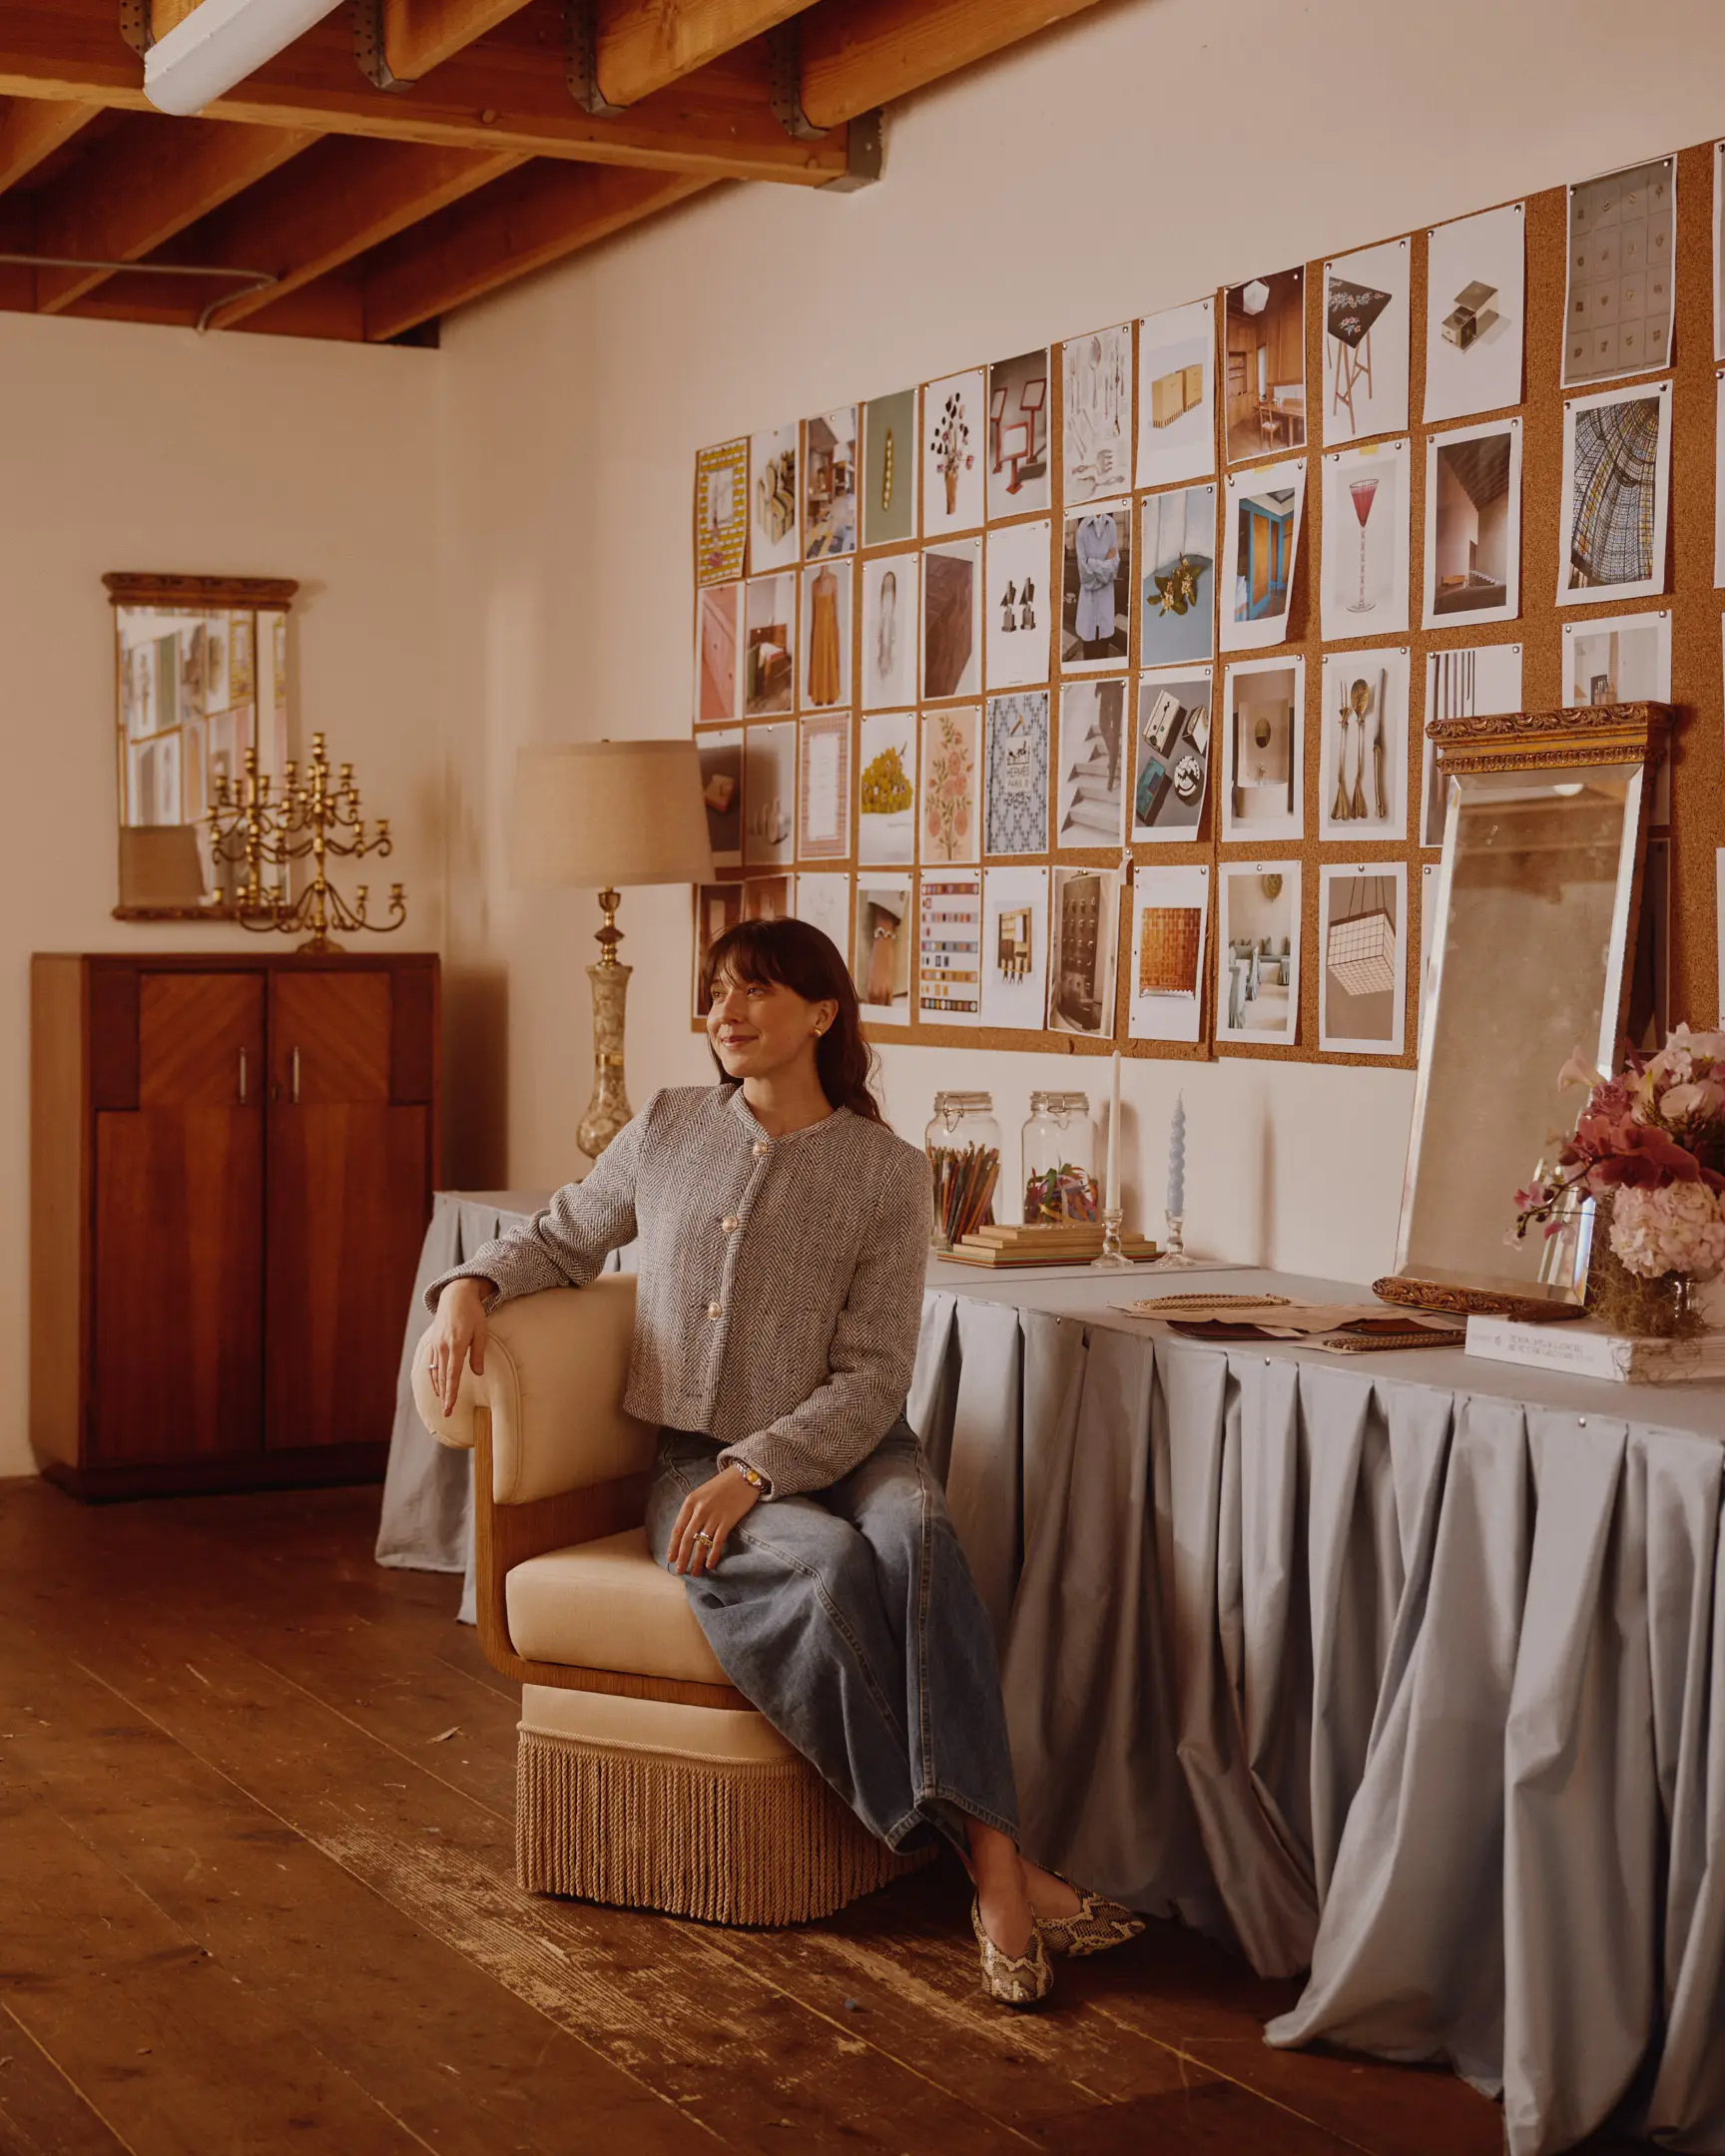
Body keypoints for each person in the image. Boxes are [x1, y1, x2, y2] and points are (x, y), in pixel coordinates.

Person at [424, 916, 1143, 2007]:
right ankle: (994, 1861)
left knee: (919, 1536)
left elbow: (871, 1375)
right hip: (693, 1454)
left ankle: (991, 1861)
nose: (724, 1012)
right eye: (715, 990)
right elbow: (565, 1233)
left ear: (822, 1013)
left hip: (850, 1447)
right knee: (825, 1574)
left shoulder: (887, 1171)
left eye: (754, 991)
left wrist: (757, 1469)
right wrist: (468, 1289)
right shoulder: (665, 1128)